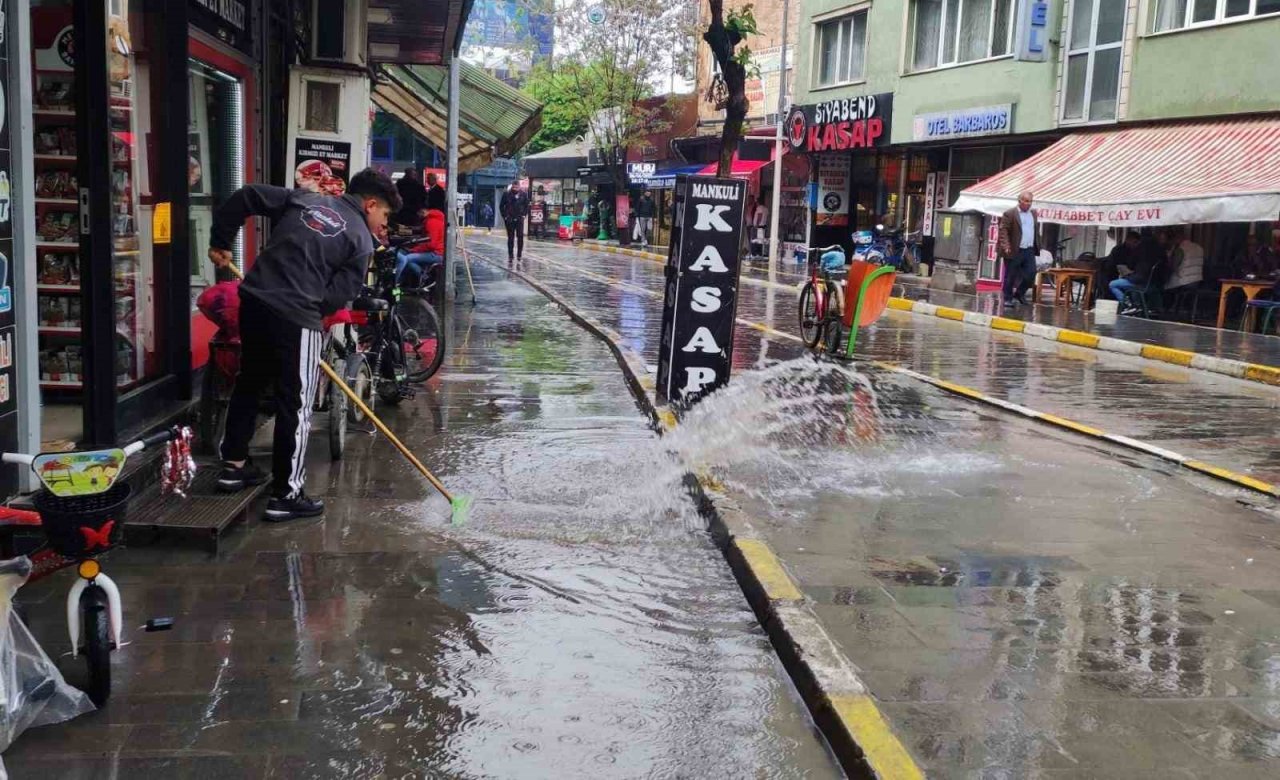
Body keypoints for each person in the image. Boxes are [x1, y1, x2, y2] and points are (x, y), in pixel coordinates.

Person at [208, 168, 400, 521]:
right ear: (370, 204)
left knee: (249, 384)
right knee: (294, 404)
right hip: (297, 317)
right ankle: (286, 493)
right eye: (384, 215)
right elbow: (337, 297)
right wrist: (308, 306)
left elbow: (248, 194)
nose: (381, 223)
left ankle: (233, 466)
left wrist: (220, 239)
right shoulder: (360, 240)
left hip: (253, 300)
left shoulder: (305, 198)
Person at [1110, 230, 1169, 310]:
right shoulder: (1160, 249)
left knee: (1113, 284)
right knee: (1133, 285)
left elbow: (1130, 265)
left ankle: (1127, 304)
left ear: (1133, 240)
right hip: (1155, 283)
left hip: (1141, 282)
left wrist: (1128, 273)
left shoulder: (1139, 248)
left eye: (1129, 243)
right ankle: (1137, 306)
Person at [998, 191, 1039, 306]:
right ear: (1019, 201)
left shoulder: (1034, 214)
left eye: (1030, 201)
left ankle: (1020, 293)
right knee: (1011, 275)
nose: (1028, 203)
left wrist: (1037, 244)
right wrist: (1006, 246)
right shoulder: (1010, 213)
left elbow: (1034, 230)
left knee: (1031, 273)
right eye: (1026, 201)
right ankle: (1007, 298)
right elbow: (1003, 231)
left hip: (1029, 249)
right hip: (1014, 249)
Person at [396, 208, 446, 286]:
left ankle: (396, 281)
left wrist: (414, 250)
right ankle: (422, 276)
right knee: (409, 262)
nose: (418, 217)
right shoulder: (436, 220)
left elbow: (431, 244)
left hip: (436, 254)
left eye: (418, 214)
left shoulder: (431, 222)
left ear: (423, 212)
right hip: (438, 253)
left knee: (406, 258)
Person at [1101, 232, 1141, 298]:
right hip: (1113, 273)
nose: (1136, 245)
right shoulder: (1119, 250)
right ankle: (1125, 303)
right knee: (1113, 285)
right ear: (1128, 240)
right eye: (1134, 242)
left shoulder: (1136, 251)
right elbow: (1118, 266)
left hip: (1129, 276)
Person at [499, 181, 529, 262]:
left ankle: (519, 255)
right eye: (514, 187)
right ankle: (510, 255)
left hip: (519, 218)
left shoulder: (523, 194)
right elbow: (501, 206)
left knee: (520, 237)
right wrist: (505, 216)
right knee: (510, 238)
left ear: (519, 187)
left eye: (517, 187)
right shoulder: (506, 194)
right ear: (512, 187)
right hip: (509, 219)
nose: (515, 189)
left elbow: (526, 206)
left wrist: (523, 215)